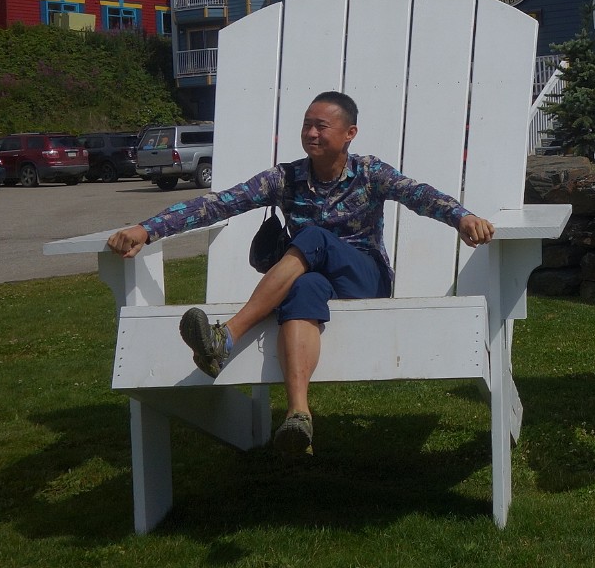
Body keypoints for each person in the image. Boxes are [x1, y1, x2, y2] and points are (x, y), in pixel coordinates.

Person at [106, 91, 495, 457]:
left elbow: (420, 195)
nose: (311, 133)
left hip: (365, 278)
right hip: (318, 281)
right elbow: (219, 204)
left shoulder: (369, 172)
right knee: (302, 286)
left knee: (313, 237)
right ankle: (299, 414)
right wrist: (147, 229)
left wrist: (462, 218)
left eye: (321, 126)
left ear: (349, 133)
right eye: (307, 124)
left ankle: (227, 338)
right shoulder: (285, 178)